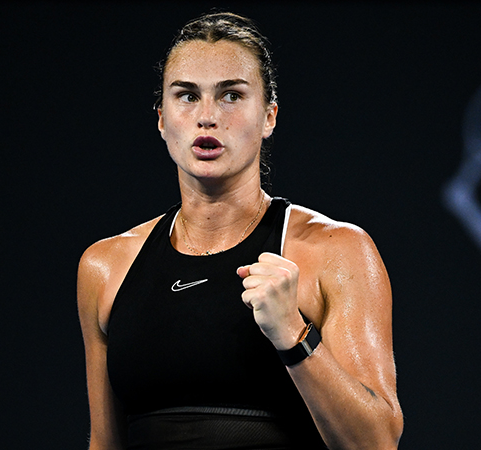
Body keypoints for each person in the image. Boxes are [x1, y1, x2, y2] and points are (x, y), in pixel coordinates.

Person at [77, 11, 403, 450]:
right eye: (187, 96)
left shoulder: (335, 250)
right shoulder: (105, 267)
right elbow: (104, 443)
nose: (207, 117)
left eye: (231, 95)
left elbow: (377, 442)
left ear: (268, 116)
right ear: (161, 118)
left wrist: (293, 335)